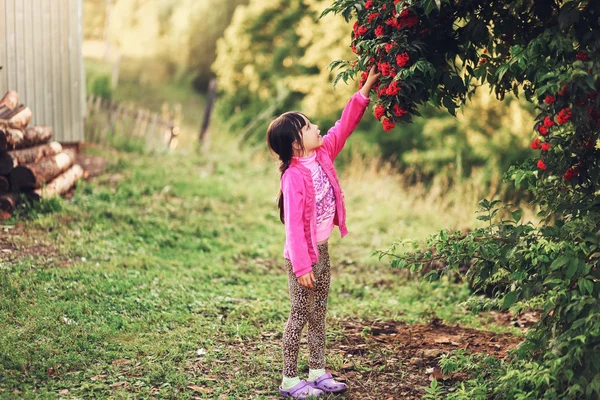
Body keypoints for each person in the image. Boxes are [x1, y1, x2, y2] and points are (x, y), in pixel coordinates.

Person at [266, 66, 380, 399]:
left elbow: (344, 125)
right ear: (295, 144)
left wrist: (364, 91)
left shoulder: (323, 153)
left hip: (323, 251)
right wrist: (302, 267)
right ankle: (289, 379)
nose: (317, 128)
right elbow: (294, 232)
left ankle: (317, 371)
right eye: (309, 127)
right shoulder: (293, 176)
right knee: (300, 313)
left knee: (319, 312)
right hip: (301, 259)